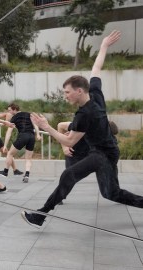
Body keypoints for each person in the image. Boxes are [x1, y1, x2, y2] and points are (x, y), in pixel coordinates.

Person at [22, 30, 143, 228]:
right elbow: (96, 68)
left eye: (67, 92)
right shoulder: (94, 93)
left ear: (79, 91)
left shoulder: (84, 115)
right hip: (109, 150)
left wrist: (46, 126)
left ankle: (41, 215)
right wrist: (103, 45)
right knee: (111, 193)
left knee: (68, 175)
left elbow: (69, 141)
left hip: (103, 154)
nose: (66, 96)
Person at [0, 103, 41, 183]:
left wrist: (5, 145)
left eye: (10, 110)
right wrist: (38, 134)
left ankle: (5, 172)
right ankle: (27, 174)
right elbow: (35, 125)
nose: (9, 112)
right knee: (28, 158)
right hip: (31, 137)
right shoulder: (29, 114)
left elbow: (9, 132)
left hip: (23, 136)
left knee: (10, 153)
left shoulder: (14, 117)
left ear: (14, 109)